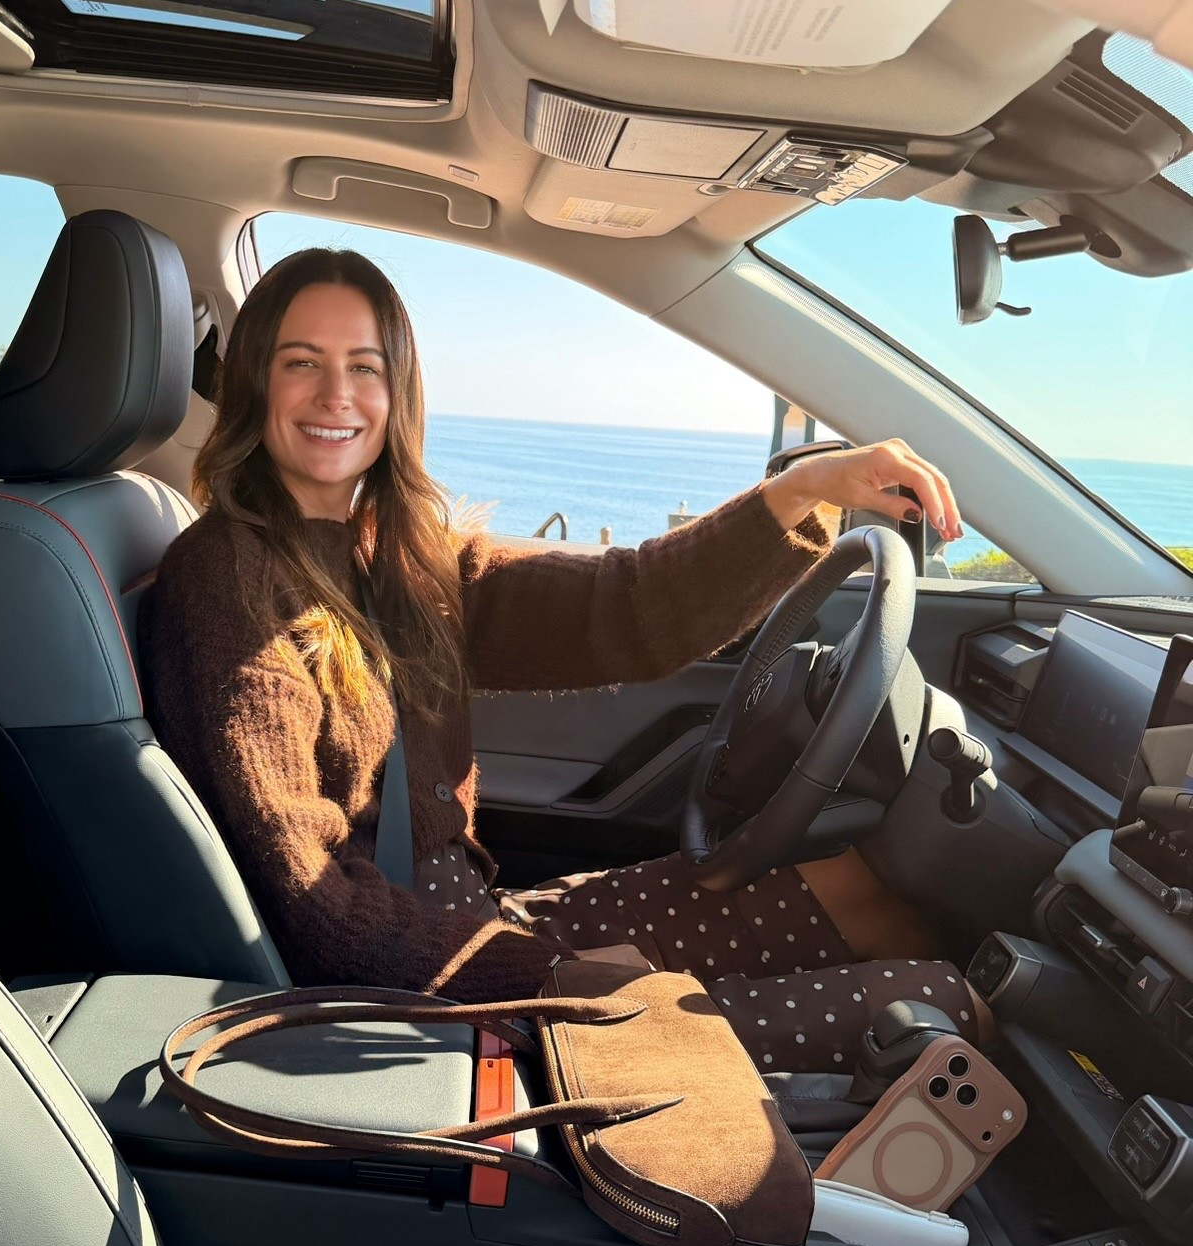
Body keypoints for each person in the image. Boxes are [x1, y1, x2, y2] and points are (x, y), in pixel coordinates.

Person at [143, 248, 981, 1072]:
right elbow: (314, 901)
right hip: (427, 1000)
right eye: (302, 363)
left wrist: (801, 491)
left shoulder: (396, 557)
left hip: (480, 935)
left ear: (398, 394)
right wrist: (561, 983)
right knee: (934, 1003)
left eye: (365, 367)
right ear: (255, 380)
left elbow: (625, 611)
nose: (337, 394)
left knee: (855, 891)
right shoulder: (224, 582)